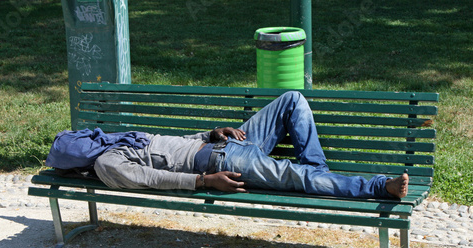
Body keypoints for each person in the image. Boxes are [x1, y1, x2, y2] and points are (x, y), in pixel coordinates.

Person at [94, 91, 408, 199]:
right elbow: (154, 179)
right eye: (79, 143)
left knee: (292, 101)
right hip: (220, 167)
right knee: (300, 178)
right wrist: (204, 182)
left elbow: (174, 144)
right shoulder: (106, 163)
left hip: (227, 144)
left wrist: (212, 133)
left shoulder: (117, 141)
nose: (88, 137)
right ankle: (381, 187)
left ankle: (316, 176)